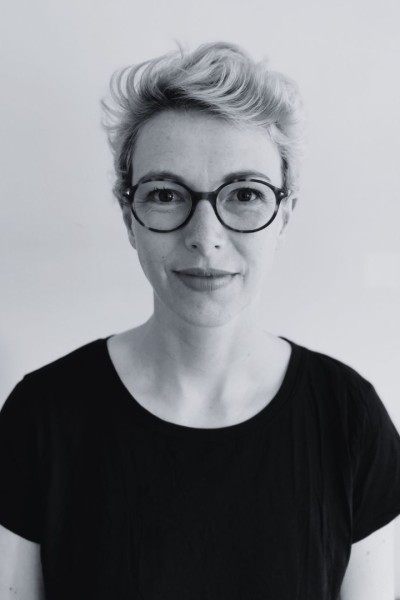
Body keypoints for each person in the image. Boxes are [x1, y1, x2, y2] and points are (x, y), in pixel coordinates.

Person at [1, 41, 400, 600]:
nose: (206, 237)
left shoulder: (350, 421)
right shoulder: (39, 417)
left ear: (283, 214)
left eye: (244, 194)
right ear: (128, 215)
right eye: (166, 194)